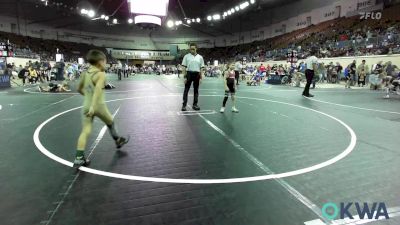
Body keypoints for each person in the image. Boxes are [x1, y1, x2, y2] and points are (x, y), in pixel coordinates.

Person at [74, 50, 129, 167]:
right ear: (100, 62)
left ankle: (79, 158)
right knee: (110, 122)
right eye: (105, 61)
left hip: (86, 106)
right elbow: (98, 91)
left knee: (85, 131)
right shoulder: (101, 74)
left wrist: (88, 99)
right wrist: (93, 107)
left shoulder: (85, 73)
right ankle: (118, 141)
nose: (106, 64)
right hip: (98, 106)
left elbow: (78, 89)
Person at [181, 43, 205, 111]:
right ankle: (184, 105)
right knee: (186, 90)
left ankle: (195, 105)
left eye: (193, 49)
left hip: (197, 74)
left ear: (196, 49)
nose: (192, 50)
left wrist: (201, 77)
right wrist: (185, 77)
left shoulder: (200, 57)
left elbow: (202, 68)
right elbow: (183, 67)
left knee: (196, 90)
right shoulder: (186, 56)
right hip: (189, 73)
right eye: (191, 49)